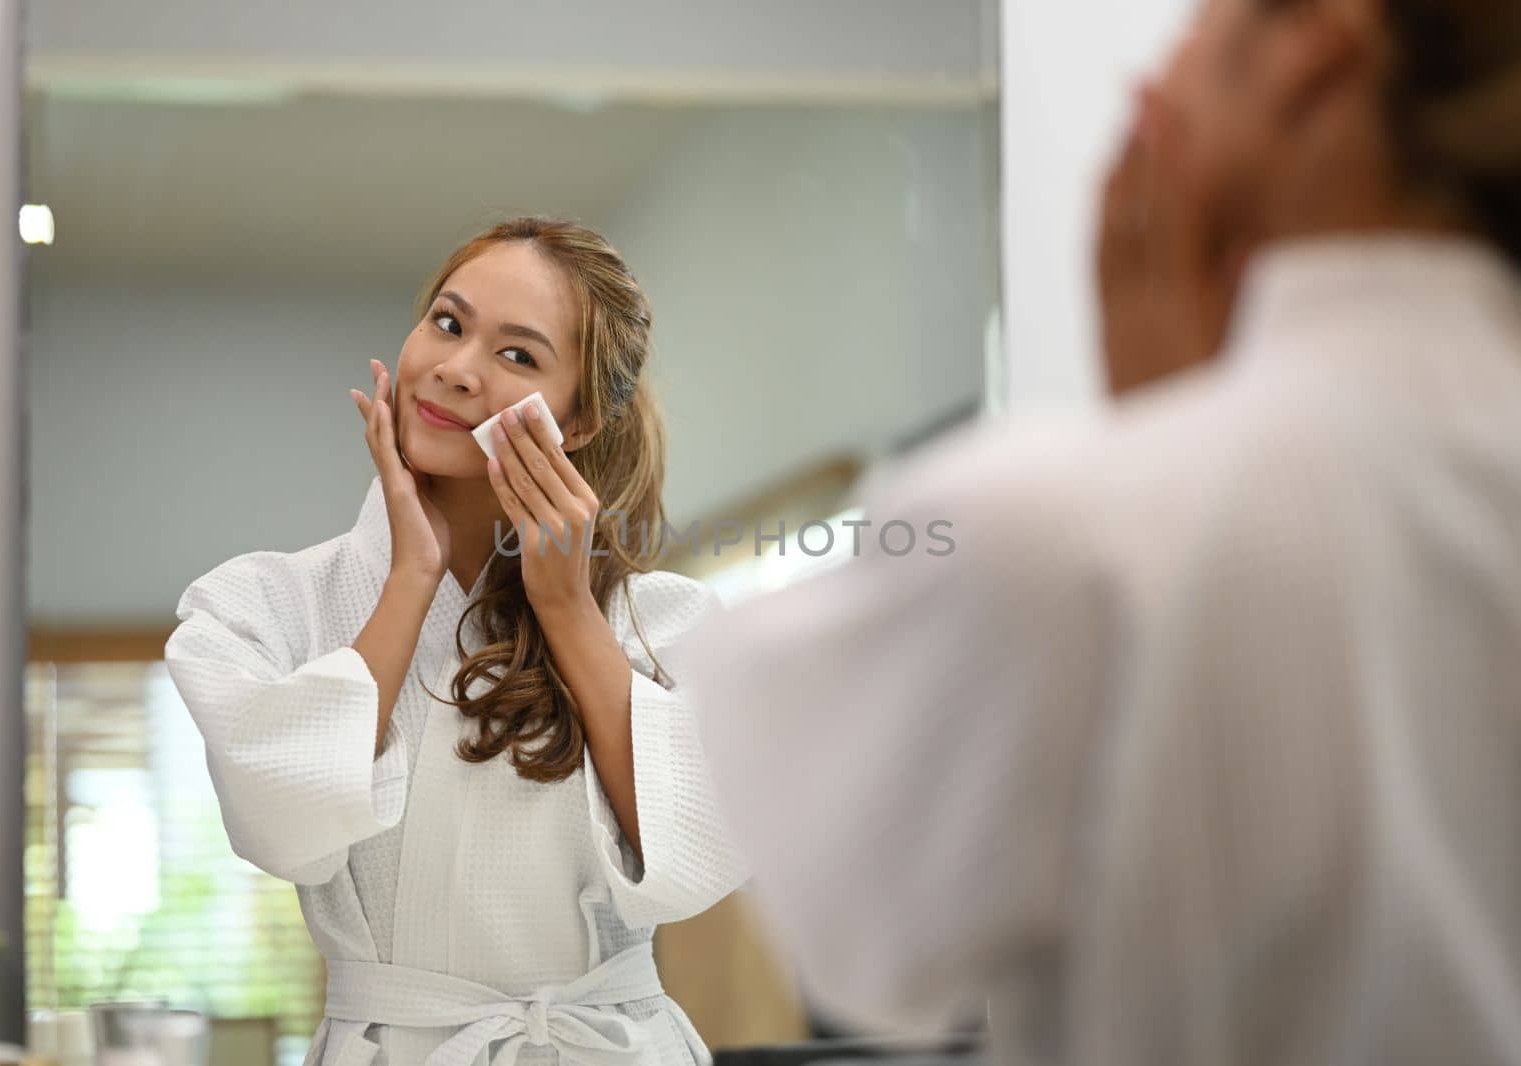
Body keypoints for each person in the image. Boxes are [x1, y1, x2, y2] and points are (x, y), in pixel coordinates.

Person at [674, 1, 1521, 1063]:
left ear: (1311, 55)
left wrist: (1158, 442)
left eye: (1199, 24)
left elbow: (862, 954)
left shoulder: (1060, 533)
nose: (1150, 77)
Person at [163, 217, 748, 1066]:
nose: (456, 369)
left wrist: (568, 607)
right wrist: (410, 578)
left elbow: (698, 857)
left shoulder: (665, 624)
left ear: (577, 423)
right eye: (448, 321)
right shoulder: (265, 603)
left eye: (517, 355)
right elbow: (280, 825)